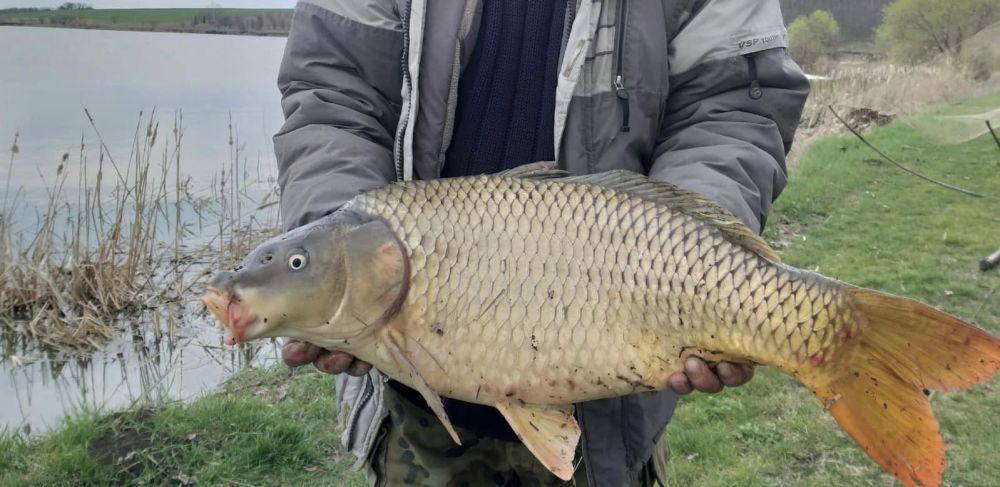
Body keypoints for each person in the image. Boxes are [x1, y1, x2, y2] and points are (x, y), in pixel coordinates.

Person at [273, 0, 809, 485]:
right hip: (413, 405)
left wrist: (693, 277)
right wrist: (334, 263)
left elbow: (731, 111)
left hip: (612, 405)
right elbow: (332, 96)